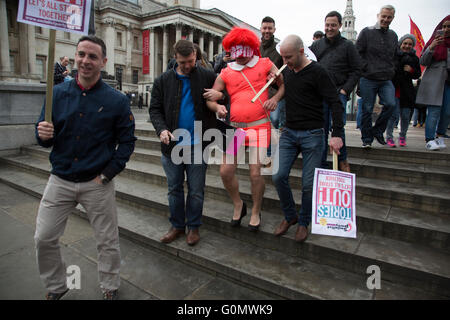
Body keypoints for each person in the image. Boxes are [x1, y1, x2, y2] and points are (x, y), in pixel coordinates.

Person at [35, 35, 136, 300]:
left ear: (103, 61)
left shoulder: (117, 101)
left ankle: (110, 284)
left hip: (97, 182)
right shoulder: (56, 93)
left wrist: (106, 175)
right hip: (60, 179)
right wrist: (42, 135)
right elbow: (45, 138)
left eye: (92, 56)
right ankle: (57, 284)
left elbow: (127, 143)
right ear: (75, 56)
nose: (85, 61)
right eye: (81, 54)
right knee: (43, 238)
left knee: (107, 240)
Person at [206, 27, 284, 232]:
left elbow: (283, 85)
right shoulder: (226, 70)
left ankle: (256, 211)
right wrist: (218, 106)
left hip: (260, 126)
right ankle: (239, 204)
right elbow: (212, 98)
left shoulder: (265, 63)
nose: (239, 60)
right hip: (236, 129)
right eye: (235, 54)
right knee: (225, 171)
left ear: (250, 48)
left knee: (255, 174)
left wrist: (275, 99)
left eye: (243, 55)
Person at [273, 35, 343, 242]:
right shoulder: (287, 70)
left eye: (289, 57)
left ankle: (303, 222)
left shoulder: (319, 72)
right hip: (289, 132)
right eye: (282, 57)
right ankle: (290, 216)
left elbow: (335, 102)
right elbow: (288, 92)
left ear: (302, 51)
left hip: (313, 134)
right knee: (277, 175)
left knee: (308, 184)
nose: (285, 62)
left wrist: (337, 134)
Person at [149, 40, 219, 246]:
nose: (188, 65)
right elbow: (154, 109)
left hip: (198, 144)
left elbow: (224, 98)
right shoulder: (163, 80)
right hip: (172, 146)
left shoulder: (207, 76)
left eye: (191, 61)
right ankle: (177, 226)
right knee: (174, 189)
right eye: (183, 62)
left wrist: (220, 95)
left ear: (196, 56)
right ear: (175, 58)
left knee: (196, 190)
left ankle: (194, 227)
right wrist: (161, 129)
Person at [310, 10, 362, 172]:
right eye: (327, 25)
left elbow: (357, 70)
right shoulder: (317, 46)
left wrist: (346, 90)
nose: (330, 28)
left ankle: (342, 160)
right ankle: (320, 163)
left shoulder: (348, 46)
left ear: (340, 25)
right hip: (319, 95)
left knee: (337, 129)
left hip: (338, 93)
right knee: (321, 129)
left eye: (333, 25)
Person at [356, 5, 398, 148]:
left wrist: (392, 69)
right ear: (378, 16)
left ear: (393, 18)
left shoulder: (393, 35)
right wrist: (365, 68)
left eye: (389, 17)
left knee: (391, 104)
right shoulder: (366, 32)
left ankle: (378, 130)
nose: (386, 19)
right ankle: (367, 139)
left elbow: (395, 56)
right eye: (384, 16)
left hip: (386, 78)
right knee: (367, 109)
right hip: (368, 77)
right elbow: (358, 53)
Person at [416, 16, 450, 151]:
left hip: (448, 82)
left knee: (447, 111)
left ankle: (440, 136)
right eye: (444, 26)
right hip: (435, 80)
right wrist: (432, 47)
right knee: (434, 111)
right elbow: (423, 61)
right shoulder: (434, 42)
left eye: (449, 27)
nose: (446, 29)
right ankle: (429, 139)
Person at [385, 34, 421, 147]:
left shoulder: (414, 58)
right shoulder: (393, 55)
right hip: (394, 89)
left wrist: (411, 70)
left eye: (410, 44)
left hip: (407, 91)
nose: (407, 46)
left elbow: (417, 74)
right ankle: (389, 137)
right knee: (393, 115)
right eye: (405, 43)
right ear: (400, 44)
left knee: (405, 116)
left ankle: (402, 136)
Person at [260, 16, 285, 130]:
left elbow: (285, 70)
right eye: (265, 28)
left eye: (270, 28)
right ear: (261, 29)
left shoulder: (280, 49)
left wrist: (278, 77)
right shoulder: (256, 47)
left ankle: (270, 147)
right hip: (256, 90)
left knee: (273, 121)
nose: (267, 31)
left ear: (274, 29)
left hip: (273, 91)